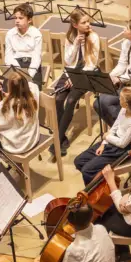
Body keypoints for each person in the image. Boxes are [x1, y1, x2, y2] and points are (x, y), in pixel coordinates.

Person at [75, 86, 131, 185]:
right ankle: (101, 183)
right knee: (79, 161)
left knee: (87, 170)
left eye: (120, 98)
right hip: (111, 142)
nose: (118, 99)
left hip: (121, 150)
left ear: (126, 104)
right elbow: (114, 127)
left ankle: (95, 192)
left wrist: (106, 137)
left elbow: (122, 143)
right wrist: (104, 143)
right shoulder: (123, 110)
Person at [55, 10, 103, 155]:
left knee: (70, 101)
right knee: (58, 99)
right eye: (84, 22)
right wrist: (75, 44)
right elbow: (68, 61)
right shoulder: (70, 36)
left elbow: (92, 63)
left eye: (88, 21)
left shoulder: (94, 37)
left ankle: (57, 141)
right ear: (75, 25)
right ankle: (62, 137)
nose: (88, 24)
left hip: (87, 73)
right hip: (70, 71)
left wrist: (74, 78)